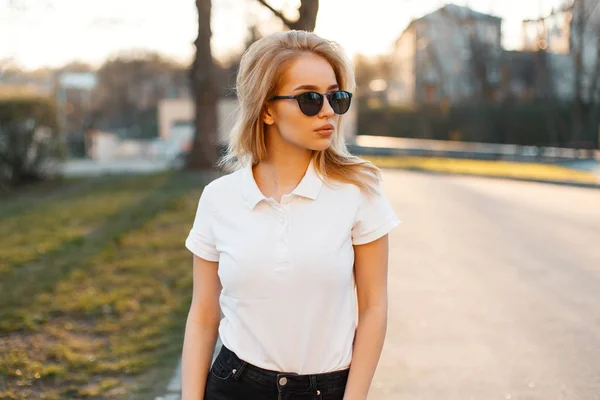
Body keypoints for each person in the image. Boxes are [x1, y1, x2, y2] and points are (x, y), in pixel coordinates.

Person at [181, 30, 400, 400]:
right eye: (310, 99)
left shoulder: (360, 189)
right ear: (266, 109)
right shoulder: (219, 199)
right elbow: (203, 315)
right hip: (234, 385)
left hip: (326, 389)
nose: (328, 110)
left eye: (336, 96)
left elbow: (374, 307)